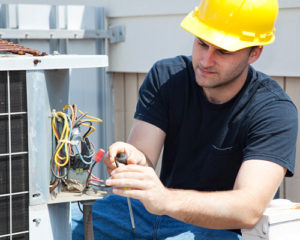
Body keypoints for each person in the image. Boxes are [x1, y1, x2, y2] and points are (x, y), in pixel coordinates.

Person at [72, 0, 298, 239]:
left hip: (219, 230)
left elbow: (248, 208)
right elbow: (143, 159)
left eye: (223, 51)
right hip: (151, 213)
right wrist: (134, 161)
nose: (205, 60)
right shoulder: (166, 77)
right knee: (56, 224)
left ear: (255, 52)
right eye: (202, 43)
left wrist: (166, 199)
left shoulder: (274, 110)